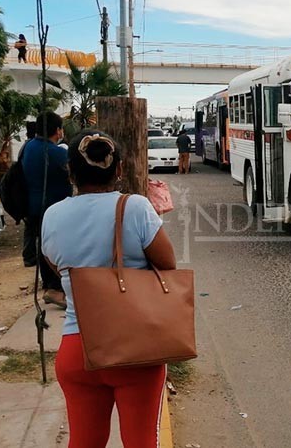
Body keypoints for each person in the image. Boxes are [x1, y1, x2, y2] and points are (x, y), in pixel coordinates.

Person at [41, 130, 176, 448]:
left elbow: (55, 266)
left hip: (77, 348)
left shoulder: (52, 215)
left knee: (85, 441)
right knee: (141, 441)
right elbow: (167, 263)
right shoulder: (137, 208)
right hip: (134, 351)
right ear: (119, 169)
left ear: (70, 171)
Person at [22, 111, 71, 309]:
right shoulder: (57, 153)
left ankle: (52, 287)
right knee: (55, 248)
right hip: (52, 207)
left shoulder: (29, 147)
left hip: (33, 206)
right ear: (57, 130)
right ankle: (54, 289)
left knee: (45, 246)